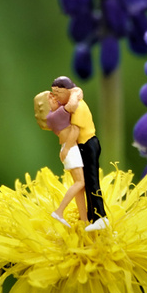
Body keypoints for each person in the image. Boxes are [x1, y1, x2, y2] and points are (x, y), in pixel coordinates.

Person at [47, 76, 108, 231]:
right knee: (86, 182)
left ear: (68, 91)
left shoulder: (79, 107)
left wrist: (66, 148)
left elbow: (75, 130)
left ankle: (101, 217)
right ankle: (92, 216)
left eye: (58, 93)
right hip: (82, 146)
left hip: (88, 144)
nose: (57, 96)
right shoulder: (69, 104)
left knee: (92, 182)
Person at [34, 92, 88, 227]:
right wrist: (74, 90)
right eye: (52, 97)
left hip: (69, 149)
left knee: (80, 186)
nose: (56, 98)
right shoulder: (59, 115)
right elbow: (75, 100)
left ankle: (84, 219)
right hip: (70, 149)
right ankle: (59, 211)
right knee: (81, 182)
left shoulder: (52, 118)